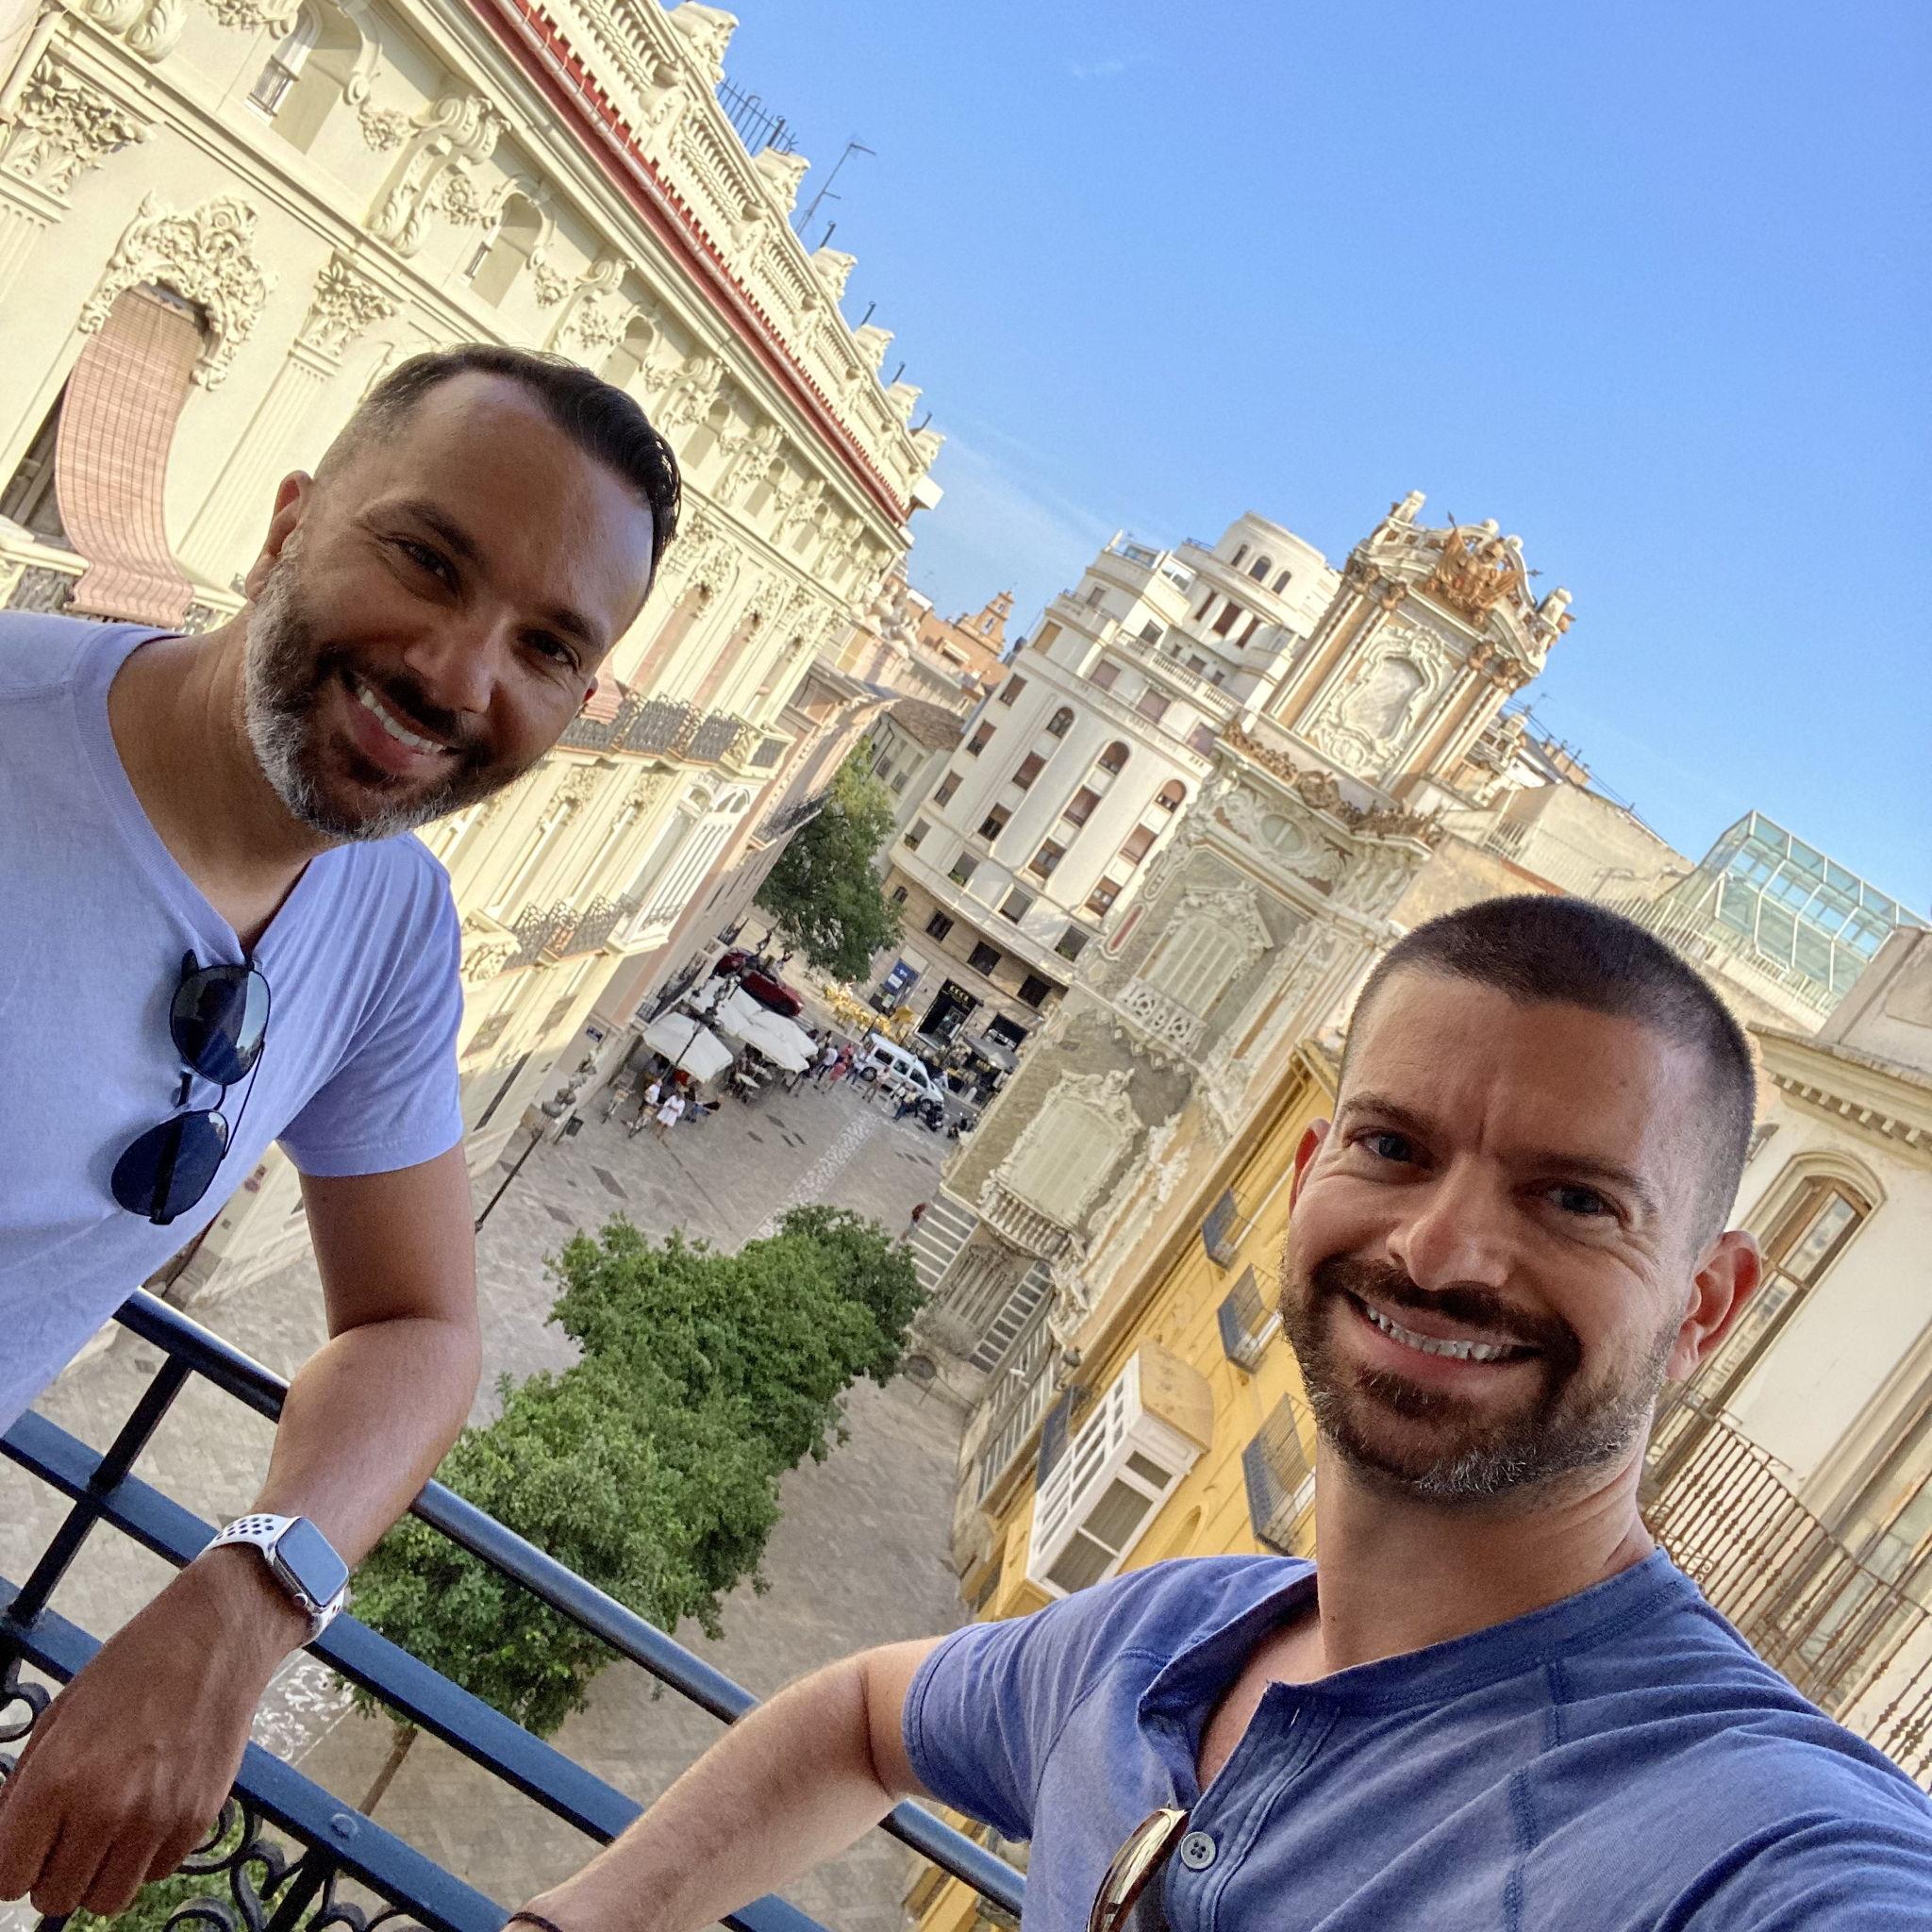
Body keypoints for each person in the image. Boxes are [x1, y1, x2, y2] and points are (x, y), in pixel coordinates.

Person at [510, 898, 1932, 1931]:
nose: (1440, 1252)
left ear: (1706, 1305)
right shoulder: (1158, 1639)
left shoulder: (1739, 1837)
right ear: (1310, 1171)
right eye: (1393, 1147)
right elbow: (866, 1716)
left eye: (1574, 1200)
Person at [0, 342, 678, 1920]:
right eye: (426, 559)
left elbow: (421, 1326)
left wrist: (248, 1592)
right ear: (291, 522)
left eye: (548, 645)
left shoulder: (387, 923)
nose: (457, 672)